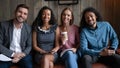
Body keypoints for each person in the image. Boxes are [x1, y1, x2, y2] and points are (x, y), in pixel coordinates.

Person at [0, 4, 32, 68]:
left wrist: (22, 54)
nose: (22, 15)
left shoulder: (28, 28)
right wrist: (13, 54)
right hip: (7, 55)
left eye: (25, 14)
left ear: (27, 16)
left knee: (28, 66)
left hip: (22, 55)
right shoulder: (3, 25)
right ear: (15, 12)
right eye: (20, 12)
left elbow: (29, 46)